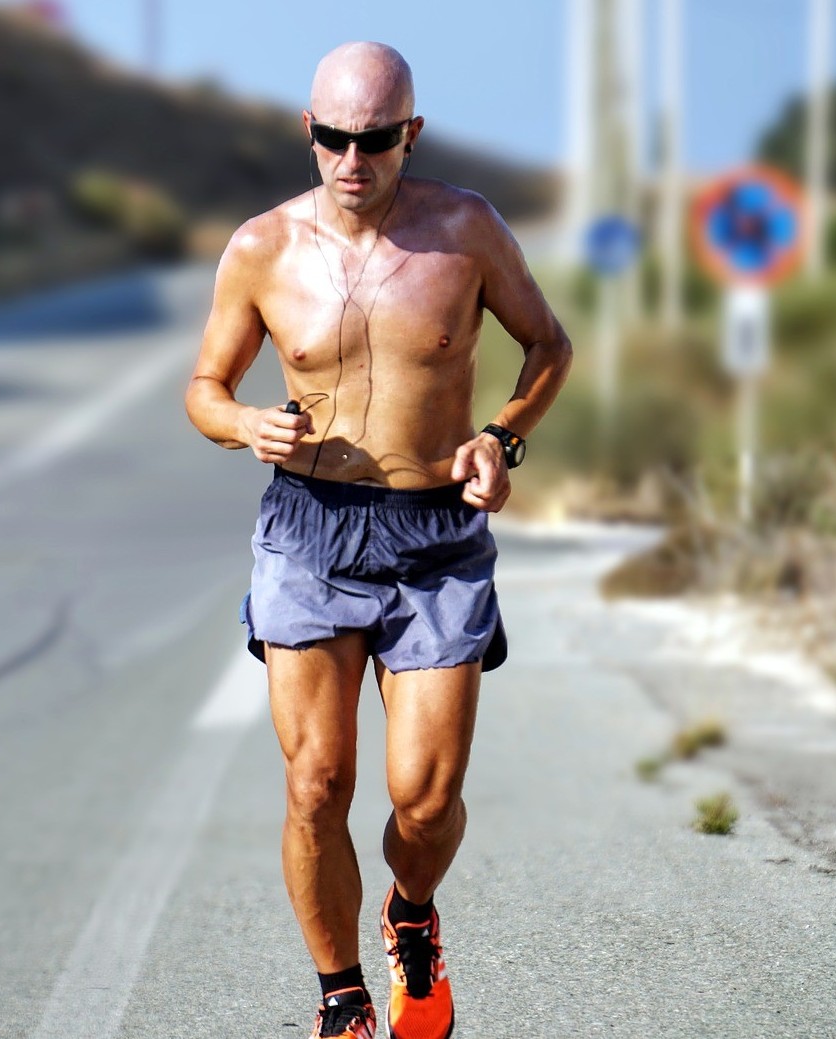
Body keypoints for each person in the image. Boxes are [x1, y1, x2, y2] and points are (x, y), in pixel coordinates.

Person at [184, 40, 572, 1039]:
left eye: (374, 140)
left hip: (435, 534)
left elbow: (548, 344)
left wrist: (501, 437)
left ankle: (410, 914)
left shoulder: (465, 230)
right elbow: (205, 388)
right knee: (317, 781)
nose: (351, 161)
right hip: (309, 529)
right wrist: (242, 424)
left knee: (426, 799)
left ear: (412, 134)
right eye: (331, 138)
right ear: (307, 132)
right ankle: (342, 998)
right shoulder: (261, 247)